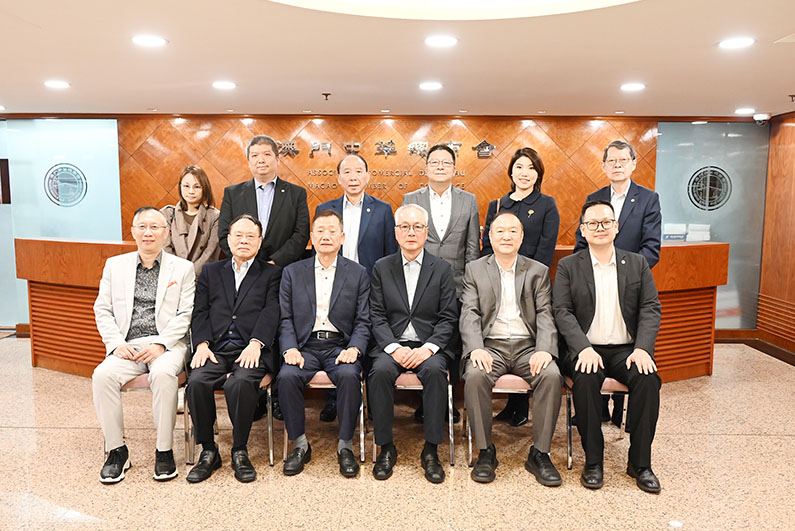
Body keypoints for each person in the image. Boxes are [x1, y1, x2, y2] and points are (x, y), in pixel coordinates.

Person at [554, 200, 662, 493]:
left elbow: (650, 308)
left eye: (605, 222)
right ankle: (593, 461)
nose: (599, 228)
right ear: (582, 230)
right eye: (592, 223)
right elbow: (562, 311)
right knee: (586, 378)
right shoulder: (568, 266)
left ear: (616, 227)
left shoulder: (637, 263)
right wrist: (582, 348)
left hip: (627, 349)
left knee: (647, 379)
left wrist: (643, 348)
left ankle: (640, 463)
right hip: (586, 348)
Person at [92, 207, 195, 483]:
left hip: (168, 345)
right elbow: (103, 310)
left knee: (162, 374)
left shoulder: (182, 268)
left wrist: (161, 343)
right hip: (127, 345)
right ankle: (117, 451)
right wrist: (115, 343)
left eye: (155, 227)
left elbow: (185, 314)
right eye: (142, 227)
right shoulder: (115, 265)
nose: (148, 233)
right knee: (102, 375)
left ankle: (164, 451)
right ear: (133, 231)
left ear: (166, 232)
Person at [460, 211, 562, 485]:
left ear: (521, 236)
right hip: (490, 346)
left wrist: (545, 349)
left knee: (551, 375)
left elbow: (545, 313)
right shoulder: (475, 270)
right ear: (490, 237)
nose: (506, 236)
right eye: (500, 231)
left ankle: (540, 453)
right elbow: (469, 312)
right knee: (475, 375)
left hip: (528, 346)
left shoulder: (537, 271)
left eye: (513, 231)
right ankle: (485, 451)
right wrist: (475, 348)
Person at [184, 214, 281, 484]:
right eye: (238, 235)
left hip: (251, 348)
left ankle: (239, 449)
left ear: (259, 241)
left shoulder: (272, 273)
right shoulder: (211, 272)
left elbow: (272, 311)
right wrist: (201, 344)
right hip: (215, 348)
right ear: (228, 239)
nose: (244, 241)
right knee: (197, 382)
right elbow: (200, 311)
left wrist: (256, 343)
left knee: (238, 384)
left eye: (250, 236)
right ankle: (209, 450)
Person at [367, 204, 459, 483]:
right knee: (379, 372)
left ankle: (431, 450)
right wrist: (394, 348)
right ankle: (386, 447)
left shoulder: (442, 269)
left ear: (426, 232)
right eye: (405, 227)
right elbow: (376, 315)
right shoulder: (382, 267)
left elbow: (448, 317)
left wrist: (427, 348)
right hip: (392, 344)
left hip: (429, 345)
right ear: (396, 232)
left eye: (417, 227)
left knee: (435, 372)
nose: (411, 232)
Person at [573, 139, 662, 426]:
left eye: (623, 160)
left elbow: (651, 247)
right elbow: (581, 242)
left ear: (633, 164)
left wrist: (625, 272)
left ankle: (623, 414)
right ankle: (596, 409)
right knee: (595, 336)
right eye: (611, 161)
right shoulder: (594, 196)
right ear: (603, 166)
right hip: (594, 279)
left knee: (628, 349)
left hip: (630, 286)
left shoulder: (648, 198)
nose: (617, 165)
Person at [277, 210, 370, 478]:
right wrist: (290, 348)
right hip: (304, 346)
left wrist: (354, 348)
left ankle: (345, 446)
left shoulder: (358, 273)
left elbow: (364, 319)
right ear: (311, 237)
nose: (326, 236)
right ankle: (300, 445)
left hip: (340, 345)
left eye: (332, 231)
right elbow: (285, 317)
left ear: (342, 237)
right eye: (320, 231)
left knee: (350, 375)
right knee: (286, 377)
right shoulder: (293, 272)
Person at [314, 153, 397, 422]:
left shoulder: (382, 209)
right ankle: (333, 400)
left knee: (367, 340)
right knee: (334, 338)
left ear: (367, 176)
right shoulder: (326, 208)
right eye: (347, 172)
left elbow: (389, 253)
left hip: (370, 285)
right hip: (333, 283)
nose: (353, 177)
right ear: (339, 178)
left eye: (358, 171)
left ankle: (371, 400)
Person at [482, 147, 560, 428]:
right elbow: (486, 246)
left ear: (538, 173)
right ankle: (513, 405)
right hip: (498, 283)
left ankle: (521, 405)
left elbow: (546, 249)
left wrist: (526, 278)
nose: (524, 172)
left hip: (531, 284)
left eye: (531, 167)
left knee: (526, 337)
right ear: (511, 172)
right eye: (519, 167)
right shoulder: (498, 205)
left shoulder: (547, 204)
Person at [402, 144, 479, 423]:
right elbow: (406, 241)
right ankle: (425, 403)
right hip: (419, 285)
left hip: (456, 284)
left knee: (452, 344)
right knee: (424, 338)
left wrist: (470, 286)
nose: (440, 167)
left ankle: (449, 401)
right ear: (426, 168)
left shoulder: (468, 200)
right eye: (434, 162)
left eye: (446, 163)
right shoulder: (411, 198)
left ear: (454, 169)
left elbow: (472, 247)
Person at [217, 135, 310, 266]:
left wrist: (276, 262)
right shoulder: (232, 193)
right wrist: (245, 260)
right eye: (254, 155)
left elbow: (301, 234)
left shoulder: (296, 194)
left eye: (267, 154)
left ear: (277, 159)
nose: (261, 160)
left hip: (283, 268)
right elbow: (224, 234)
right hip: (243, 267)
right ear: (249, 162)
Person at [161, 165, 220, 276]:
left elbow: (210, 253)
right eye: (186, 186)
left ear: (204, 188)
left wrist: (189, 274)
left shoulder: (215, 216)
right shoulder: (167, 214)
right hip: (172, 276)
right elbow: (165, 249)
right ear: (180, 187)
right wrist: (178, 274)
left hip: (201, 277)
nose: (191, 191)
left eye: (197, 187)